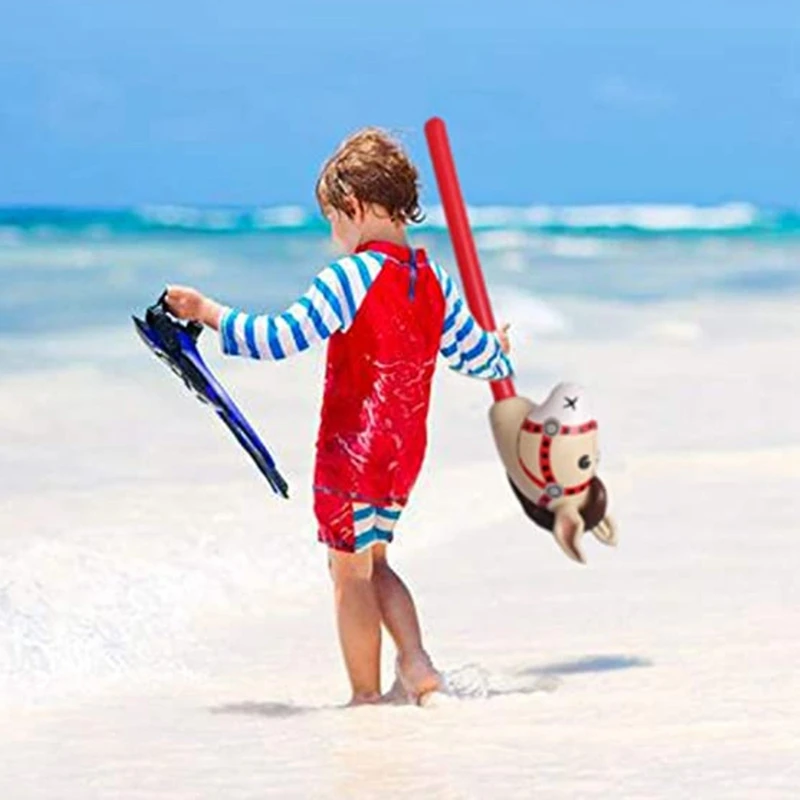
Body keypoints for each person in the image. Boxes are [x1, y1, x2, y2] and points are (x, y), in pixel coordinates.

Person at [165, 127, 513, 706]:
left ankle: (365, 698)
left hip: (353, 453)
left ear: (353, 205)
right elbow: (476, 357)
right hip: (401, 455)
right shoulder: (434, 280)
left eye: (332, 219)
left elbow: (279, 337)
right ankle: (417, 665)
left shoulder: (350, 276)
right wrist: (500, 348)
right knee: (374, 562)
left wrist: (207, 311)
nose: (333, 235)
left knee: (348, 573)